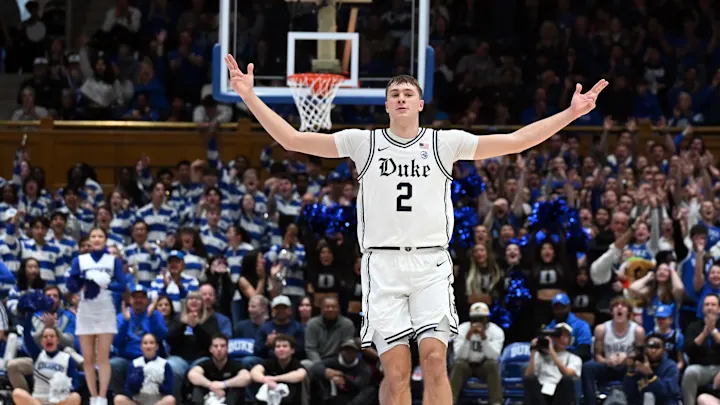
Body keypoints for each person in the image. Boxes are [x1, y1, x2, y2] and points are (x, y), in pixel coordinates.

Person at [224, 53, 608, 405]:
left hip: (431, 265)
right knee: (396, 372)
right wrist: (249, 96)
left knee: (436, 359)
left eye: (409, 93)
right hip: (383, 266)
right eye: (395, 94)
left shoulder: (445, 143)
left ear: (421, 104)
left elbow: (516, 141)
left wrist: (570, 114)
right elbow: (292, 140)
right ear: (386, 105)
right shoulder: (364, 142)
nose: (402, 99)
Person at [66, 227, 127, 405]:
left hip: (105, 310)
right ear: (89, 240)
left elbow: (122, 285)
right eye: (94, 236)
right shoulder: (80, 260)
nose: (97, 239)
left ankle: (102, 396)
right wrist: (82, 284)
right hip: (85, 311)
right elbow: (72, 284)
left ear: (106, 239)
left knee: (102, 358)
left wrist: (105, 284)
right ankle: (93, 397)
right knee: (88, 359)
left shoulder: (113, 261)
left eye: (101, 236)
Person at [582, 297, 645, 405]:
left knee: (640, 369)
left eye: (623, 306)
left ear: (628, 311)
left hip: (628, 368)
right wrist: (607, 361)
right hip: (608, 366)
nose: (619, 307)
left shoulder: (638, 331)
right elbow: (597, 355)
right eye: (616, 306)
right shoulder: (601, 329)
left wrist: (628, 359)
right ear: (611, 312)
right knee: (588, 367)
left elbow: (641, 357)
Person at [449, 302, 504, 405]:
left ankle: (496, 402)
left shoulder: (496, 331)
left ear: (487, 319)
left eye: (481, 319)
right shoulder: (462, 329)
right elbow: (459, 355)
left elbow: (493, 356)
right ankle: (450, 401)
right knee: (459, 364)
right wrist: (467, 338)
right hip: (467, 365)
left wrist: (484, 338)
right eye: (475, 319)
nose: (478, 322)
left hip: (484, 366)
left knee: (492, 364)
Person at [12, 326, 81, 405]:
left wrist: (64, 386)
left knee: (76, 397)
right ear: (42, 342)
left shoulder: (67, 358)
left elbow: (75, 384)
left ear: (57, 340)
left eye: (52, 336)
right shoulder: (37, 355)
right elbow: (27, 335)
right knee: (17, 393)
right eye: (45, 336)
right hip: (37, 401)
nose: (49, 338)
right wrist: (29, 314)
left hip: (58, 401)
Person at [523, 323, 582, 405]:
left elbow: (568, 374)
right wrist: (533, 351)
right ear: (553, 338)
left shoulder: (574, 358)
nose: (562, 339)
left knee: (567, 380)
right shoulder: (540, 355)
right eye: (559, 336)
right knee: (529, 380)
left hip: (560, 392)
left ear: (570, 340)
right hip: (541, 391)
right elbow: (528, 375)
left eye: (565, 336)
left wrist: (552, 352)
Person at [187, 334, 252, 405]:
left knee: (237, 388)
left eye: (223, 346)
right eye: (215, 346)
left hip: (229, 398)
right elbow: (192, 374)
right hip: (208, 397)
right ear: (210, 349)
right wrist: (211, 385)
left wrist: (223, 384)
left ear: (227, 348)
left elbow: (246, 377)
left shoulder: (235, 364)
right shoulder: (205, 364)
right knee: (197, 387)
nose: (219, 349)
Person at [114, 333, 175, 405]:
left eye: (151, 343)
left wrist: (158, 385)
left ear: (157, 346)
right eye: (145, 343)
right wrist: (136, 383)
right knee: (118, 399)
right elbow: (128, 390)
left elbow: (170, 389)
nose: (148, 346)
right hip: (138, 400)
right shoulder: (135, 363)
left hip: (157, 400)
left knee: (170, 400)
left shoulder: (164, 364)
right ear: (141, 347)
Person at [682, 293, 720, 405]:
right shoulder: (693, 326)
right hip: (701, 368)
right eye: (707, 304)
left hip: (719, 367)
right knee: (690, 372)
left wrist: (713, 330)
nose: (709, 307)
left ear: (719, 309)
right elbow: (689, 350)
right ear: (702, 308)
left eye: (713, 304)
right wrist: (704, 333)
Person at [621, 335, 680, 405]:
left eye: (657, 347)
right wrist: (630, 370)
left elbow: (665, 395)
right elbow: (628, 392)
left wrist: (650, 375)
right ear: (645, 349)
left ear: (664, 350)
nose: (653, 350)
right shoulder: (638, 365)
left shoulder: (670, 367)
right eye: (650, 347)